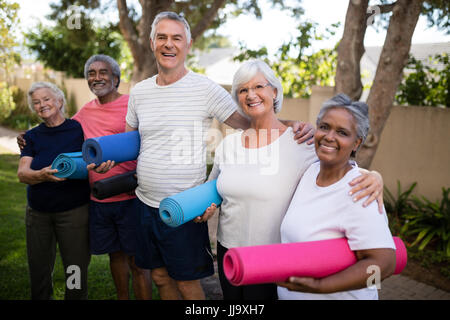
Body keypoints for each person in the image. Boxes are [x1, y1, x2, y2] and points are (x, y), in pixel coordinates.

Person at [94, 12, 314, 300]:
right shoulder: (140, 92)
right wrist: (109, 159)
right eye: (162, 37)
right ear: (151, 43)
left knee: (186, 283)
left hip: (185, 207)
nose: (168, 44)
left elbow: (253, 121)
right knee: (159, 276)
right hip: (145, 202)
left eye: (176, 38)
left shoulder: (205, 89)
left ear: (188, 44)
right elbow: (133, 140)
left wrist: (290, 126)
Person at [202, 61, 385, 300]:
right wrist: (206, 209)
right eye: (243, 90)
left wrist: (373, 177)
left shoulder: (302, 144)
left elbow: (338, 169)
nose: (251, 94)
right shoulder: (229, 144)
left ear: (274, 91)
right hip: (229, 249)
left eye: (258, 86)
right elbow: (214, 188)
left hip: (274, 257)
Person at [18, 55, 152, 300]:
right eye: (91, 73)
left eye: (103, 72)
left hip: (131, 195)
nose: (96, 77)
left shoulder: (134, 104)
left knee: (138, 262)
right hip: (100, 199)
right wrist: (26, 138)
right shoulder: (83, 115)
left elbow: (152, 140)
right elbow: (57, 129)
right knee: (116, 257)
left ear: (116, 78)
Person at [277, 94, 396, 300]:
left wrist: (321, 286)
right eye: (324, 127)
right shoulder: (310, 171)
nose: (329, 137)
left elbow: (384, 266)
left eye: (342, 132)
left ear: (356, 143)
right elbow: (265, 122)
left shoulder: (360, 189)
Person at [17, 82, 91, 300]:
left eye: (46, 99)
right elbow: (23, 174)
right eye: (36, 103)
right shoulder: (31, 137)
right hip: (38, 214)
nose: (42, 105)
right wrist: (42, 175)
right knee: (39, 269)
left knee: (74, 267)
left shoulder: (79, 129)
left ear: (59, 101)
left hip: (73, 212)